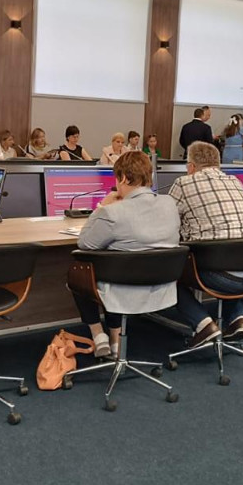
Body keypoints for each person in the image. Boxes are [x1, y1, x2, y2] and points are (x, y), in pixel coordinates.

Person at [73, 151, 180, 358]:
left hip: (123, 289)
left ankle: (99, 335)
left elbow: (84, 243)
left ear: (122, 178)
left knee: (81, 270)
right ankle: (116, 339)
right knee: (116, 262)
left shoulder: (112, 212)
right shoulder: (170, 204)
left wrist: (102, 207)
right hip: (162, 287)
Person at [169, 142, 243, 345]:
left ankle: (203, 324)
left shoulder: (184, 182)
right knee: (231, 257)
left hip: (219, 275)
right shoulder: (235, 181)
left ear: (191, 166)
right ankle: (238, 318)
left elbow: (167, 221)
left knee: (169, 272)